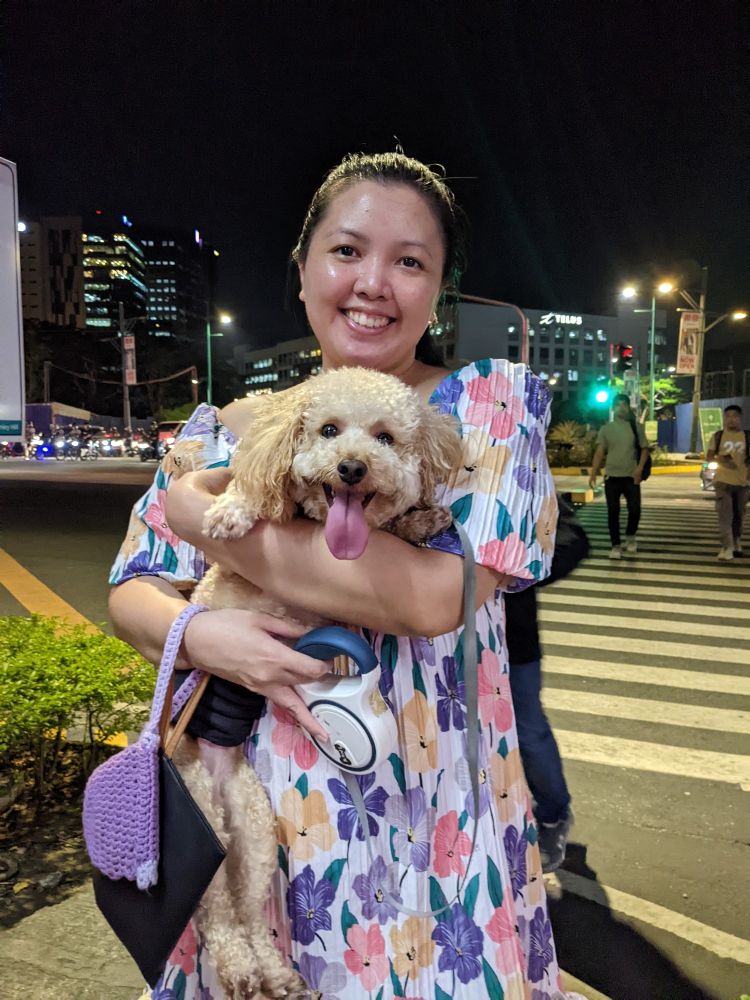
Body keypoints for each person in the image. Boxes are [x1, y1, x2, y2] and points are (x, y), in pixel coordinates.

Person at [109, 152, 584, 1000]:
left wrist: (198, 520)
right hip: (252, 823)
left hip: (439, 831)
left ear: (439, 290)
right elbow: (133, 590)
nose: (374, 283)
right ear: (302, 272)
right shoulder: (218, 430)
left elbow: (433, 597)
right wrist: (204, 633)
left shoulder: (487, 409)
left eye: (410, 262)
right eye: (347, 251)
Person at [506, 495, 589, 873]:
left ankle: (553, 816)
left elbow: (572, 538)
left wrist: (518, 572)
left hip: (513, 643)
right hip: (436, 646)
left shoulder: (509, 472)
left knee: (529, 733)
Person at [589, 392, 649, 559]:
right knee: (613, 511)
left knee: (635, 510)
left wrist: (639, 469)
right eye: (618, 405)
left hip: (631, 476)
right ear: (613, 408)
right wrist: (593, 473)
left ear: (628, 408)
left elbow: (645, 449)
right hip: (612, 477)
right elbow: (600, 452)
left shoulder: (636, 427)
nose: (621, 408)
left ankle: (630, 535)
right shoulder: (606, 429)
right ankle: (615, 545)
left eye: (624, 405)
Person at [706, 404, 750, 561]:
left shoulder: (747, 436)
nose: (731, 419)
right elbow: (709, 456)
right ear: (724, 418)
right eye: (728, 416)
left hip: (743, 483)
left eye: (735, 416)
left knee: (739, 515)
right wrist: (721, 459)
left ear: (740, 418)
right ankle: (727, 547)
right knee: (725, 516)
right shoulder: (718, 436)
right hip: (723, 482)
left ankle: (737, 541)